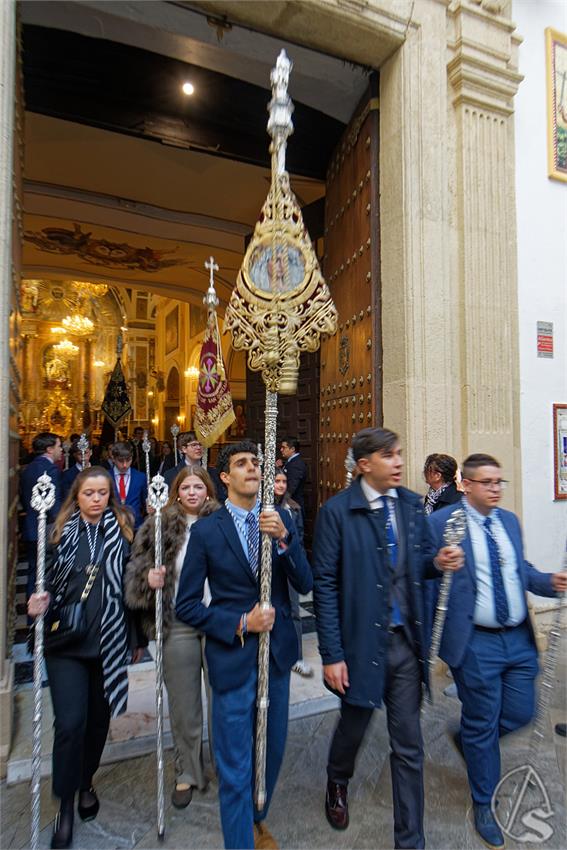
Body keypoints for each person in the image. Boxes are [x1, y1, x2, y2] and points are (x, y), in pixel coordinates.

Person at [312, 427, 463, 849]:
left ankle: (410, 840)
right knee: (355, 723)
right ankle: (337, 778)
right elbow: (325, 585)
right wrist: (332, 654)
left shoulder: (411, 506)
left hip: (404, 644)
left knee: (409, 744)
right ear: (364, 465)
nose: (399, 462)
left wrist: (438, 561)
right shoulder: (337, 513)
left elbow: (419, 563)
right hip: (360, 644)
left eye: (399, 454)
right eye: (388, 455)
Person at [175, 440, 312, 850]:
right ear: (224, 477)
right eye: (242, 463)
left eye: (256, 462)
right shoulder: (206, 531)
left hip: (278, 657)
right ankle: (239, 841)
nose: (253, 468)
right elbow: (186, 606)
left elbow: (305, 581)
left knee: (271, 753)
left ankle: (255, 820)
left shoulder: (280, 517)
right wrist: (241, 623)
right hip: (233, 660)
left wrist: (285, 540)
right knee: (235, 766)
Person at [428, 453, 567, 850]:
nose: (495, 489)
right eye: (487, 482)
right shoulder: (442, 523)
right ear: (467, 485)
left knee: (521, 712)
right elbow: (422, 570)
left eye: (499, 482)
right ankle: (484, 802)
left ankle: (471, 740)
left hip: (518, 639)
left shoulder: (509, 521)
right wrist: (438, 562)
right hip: (476, 642)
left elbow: (520, 570)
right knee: (483, 720)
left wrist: (550, 582)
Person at [27, 466, 147, 849]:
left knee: (98, 722)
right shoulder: (57, 532)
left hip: (108, 641)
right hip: (66, 643)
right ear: (76, 497)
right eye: (88, 493)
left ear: (110, 496)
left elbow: (133, 586)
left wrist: (138, 636)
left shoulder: (124, 532)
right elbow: (39, 581)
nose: (96, 500)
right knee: (70, 723)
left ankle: (85, 781)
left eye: (102, 493)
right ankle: (64, 803)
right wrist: (35, 603)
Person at [125, 467, 219, 808]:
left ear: (208, 491)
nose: (192, 492)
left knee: (222, 702)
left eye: (198, 486)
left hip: (217, 620)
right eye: (186, 487)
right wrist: (147, 580)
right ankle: (188, 771)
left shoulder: (223, 522)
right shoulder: (158, 525)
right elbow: (135, 571)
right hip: (177, 621)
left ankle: (226, 766)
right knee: (184, 704)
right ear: (176, 492)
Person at [274, 469, 313, 678]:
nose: (281, 485)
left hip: (289, 562)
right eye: (277, 481)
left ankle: (297, 657)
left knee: (294, 610)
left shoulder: (293, 508)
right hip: (272, 566)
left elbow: (298, 538)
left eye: (284, 481)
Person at [20, 432, 63, 600]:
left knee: (33, 572)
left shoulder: (28, 468)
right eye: (59, 446)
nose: (61, 450)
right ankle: (43, 610)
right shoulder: (50, 470)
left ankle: (31, 609)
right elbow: (54, 504)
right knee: (45, 573)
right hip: (46, 528)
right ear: (49, 449)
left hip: (30, 528)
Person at [165, 431, 226, 501]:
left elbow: (221, 499)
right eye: (194, 445)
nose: (198, 447)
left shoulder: (213, 473)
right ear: (184, 449)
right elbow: (168, 501)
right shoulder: (171, 474)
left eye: (201, 444)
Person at [110, 442, 148, 530]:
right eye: (120, 461)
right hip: (112, 526)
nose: (125, 465)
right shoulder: (106, 477)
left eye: (128, 460)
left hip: (136, 527)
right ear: (113, 458)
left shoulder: (140, 477)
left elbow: (145, 503)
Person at [278, 436, 307, 515]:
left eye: (284, 447)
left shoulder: (296, 464)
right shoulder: (291, 462)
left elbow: (291, 488)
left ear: (292, 449)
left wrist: (282, 505)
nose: (281, 450)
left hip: (292, 506)